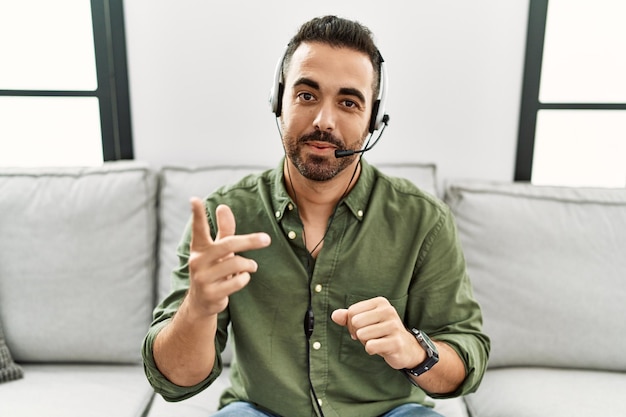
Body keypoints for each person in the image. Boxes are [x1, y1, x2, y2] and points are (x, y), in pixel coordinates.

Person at [142, 15, 490, 417]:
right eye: (307, 95)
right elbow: (173, 379)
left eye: (348, 102)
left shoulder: (424, 221)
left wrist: (414, 350)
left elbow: (467, 359)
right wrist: (198, 308)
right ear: (279, 101)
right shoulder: (223, 219)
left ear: (373, 119)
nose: (324, 120)